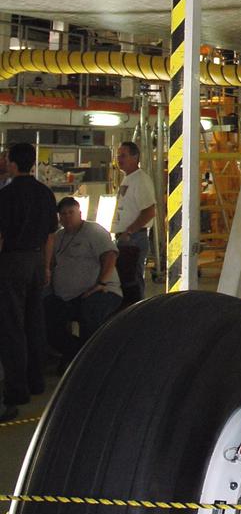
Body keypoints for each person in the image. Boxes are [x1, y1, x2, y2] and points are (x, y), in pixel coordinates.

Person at [0, 142, 58, 405]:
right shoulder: (45, 193)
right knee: (35, 322)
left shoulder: (6, 195)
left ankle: (17, 389)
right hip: (36, 261)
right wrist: (46, 266)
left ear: (12, 163)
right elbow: (50, 235)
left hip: (13, 262)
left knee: (12, 327)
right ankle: (36, 381)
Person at [44, 197, 123, 367]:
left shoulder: (93, 231)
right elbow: (50, 261)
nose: (67, 217)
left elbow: (110, 256)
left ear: (80, 213)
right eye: (63, 214)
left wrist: (101, 283)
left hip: (100, 291)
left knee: (90, 314)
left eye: (71, 212)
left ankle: (90, 362)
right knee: (47, 317)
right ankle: (75, 354)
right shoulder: (58, 237)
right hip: (66, 296)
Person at [113, 141, 156, 305]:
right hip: (125, 237)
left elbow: (149, 211)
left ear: (135, 157)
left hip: (134, 238)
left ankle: (137, 311)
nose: (119, 159)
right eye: (118, 156)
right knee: (124, 279)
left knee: (133, 281)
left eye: (123, 155)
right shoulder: (127, 179)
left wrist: (129, 231)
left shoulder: (141, 180)